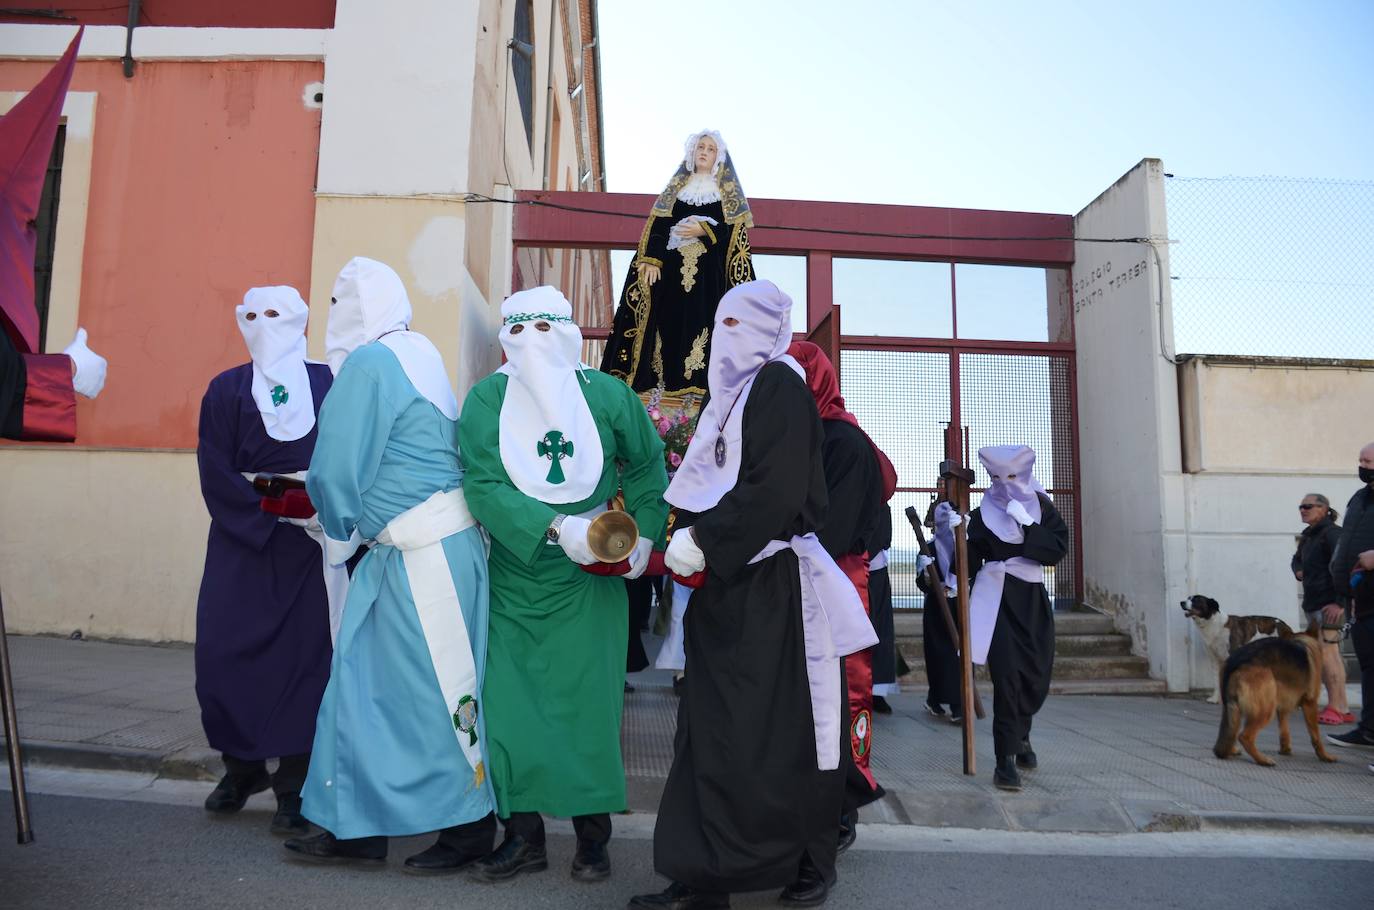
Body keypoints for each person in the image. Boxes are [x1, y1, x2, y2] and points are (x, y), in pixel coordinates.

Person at [630, 281, 877, 910]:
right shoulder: (731, 398)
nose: (726, 337)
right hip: (728, 588)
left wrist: (706, 538)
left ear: (772, 332)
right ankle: (705, 871)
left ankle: (810, 863)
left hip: (776, 593)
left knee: (789, 733)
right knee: (709, 730)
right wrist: (685, 539)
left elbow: (776, 490)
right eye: (723, 323)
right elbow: (712, 484)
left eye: (742, 323)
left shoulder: (779, 387)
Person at [284, 257, 497, 872]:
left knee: (423, 694)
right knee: (378, 688)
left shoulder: (372, 363)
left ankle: (466, 826)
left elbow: (335, 469)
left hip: (417, 556)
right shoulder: (419, 352)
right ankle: (357, 822)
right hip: (431, 547)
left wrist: (334, 524)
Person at [458, 286, 669, 884]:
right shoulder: (486, 401)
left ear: (572, 333)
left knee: (588, 710)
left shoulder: (607, 395)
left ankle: (592, 839)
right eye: (520, 332)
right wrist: (552, 527)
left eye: (547, 330)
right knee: (512, 705)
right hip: (517, 575)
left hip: (592, 580)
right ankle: (522, 837)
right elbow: (483, 484)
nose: (534, 346)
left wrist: (640, 537)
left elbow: (650, 464)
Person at [194, 286, 336, 835]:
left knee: (304, 662)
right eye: (250, 315)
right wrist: (259, 518)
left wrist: (323, 510)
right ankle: (242, 766)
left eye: (274, 313)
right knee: (225, 653)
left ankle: (293, 787)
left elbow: (347, 453)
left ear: (300, 320)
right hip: (243, 545)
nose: (262, 323)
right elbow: (214, 465)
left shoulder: (328, 382)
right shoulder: (226, 389)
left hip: (310, 543)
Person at [787, 340, 897, 848]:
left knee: (840, 697)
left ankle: (842, 812)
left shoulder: (843, 442)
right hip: (805, 585)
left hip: (835, 587)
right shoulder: (803, 436)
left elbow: (828, 533)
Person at [602, 128, 754, 395]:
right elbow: (658, 225)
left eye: (710, 149)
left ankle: (698, 384)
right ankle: (660, 383)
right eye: (700, 147)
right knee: (667, 322)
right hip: (670, 275)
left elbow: (733, 236)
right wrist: (651, 260)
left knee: (702, 322)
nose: (704, 152)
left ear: (718, 157)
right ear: (691, 152)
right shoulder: (676, 190)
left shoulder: (725, 195)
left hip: (707, 279)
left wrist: (704, 231)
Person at [964, 445, 1068, 792]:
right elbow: (969, 561)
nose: (1003, 485)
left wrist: (1026, 522)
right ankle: (1004, 759)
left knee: (1034, 677)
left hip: (1032, 600)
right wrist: (954, 539)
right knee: (1007, 678)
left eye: (1011, 477)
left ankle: (1022, 735)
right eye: (996, 478)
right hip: (996, 600)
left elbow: (1055, 550)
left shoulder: (1042, 508)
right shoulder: (983, 514)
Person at [1327, 441, 1374, 753]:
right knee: (1370, 667)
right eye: (1361, 460)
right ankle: (1368, 730)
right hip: (1360, 598)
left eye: (1368, 460)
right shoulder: (1360, 497)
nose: (1363, 465)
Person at [1291, 493, 1351, 724]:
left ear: (1324, 509)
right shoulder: (1309, 537)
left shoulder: (1332, 534)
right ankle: (1342, 708)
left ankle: (1335, 707)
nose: (1303, 510)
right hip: (1314, 602)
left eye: (1308, 506)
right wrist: (1298, 570)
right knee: (1328, 654)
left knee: (1329, 655)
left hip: (1329, 605)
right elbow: (1295, 559)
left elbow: (1342, 566)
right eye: (1301, 506)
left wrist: (1339, 601)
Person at [921, 497, 964, 723]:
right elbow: (922, 582)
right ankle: (935, 698)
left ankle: (958, 705)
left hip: (961, 607)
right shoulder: (929, 547)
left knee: (959, 654)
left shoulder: (964, 547)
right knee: (939, 655)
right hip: (937, 609)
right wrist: (926, 574)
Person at [868, 505, 898, 714]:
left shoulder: (881, 507)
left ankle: (878, 692)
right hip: (850, 570)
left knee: (881, 633)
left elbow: (882, 538)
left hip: (875, 573)